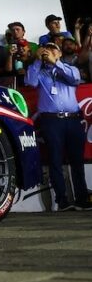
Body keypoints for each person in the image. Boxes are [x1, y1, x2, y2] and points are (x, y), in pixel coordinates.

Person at [25, 42, 92, 211]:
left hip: (74, 119)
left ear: (60, 53)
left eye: (52, 48)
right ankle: (62, 200)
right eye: (45, 49)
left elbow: (75, 79)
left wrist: (56, 63)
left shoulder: (71, 69)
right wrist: (37, 61)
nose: (48, 51)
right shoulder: (39, 72)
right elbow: (31, 82)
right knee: (55, 160)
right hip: (51, 120)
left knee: (77, 161)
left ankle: (82, 198)